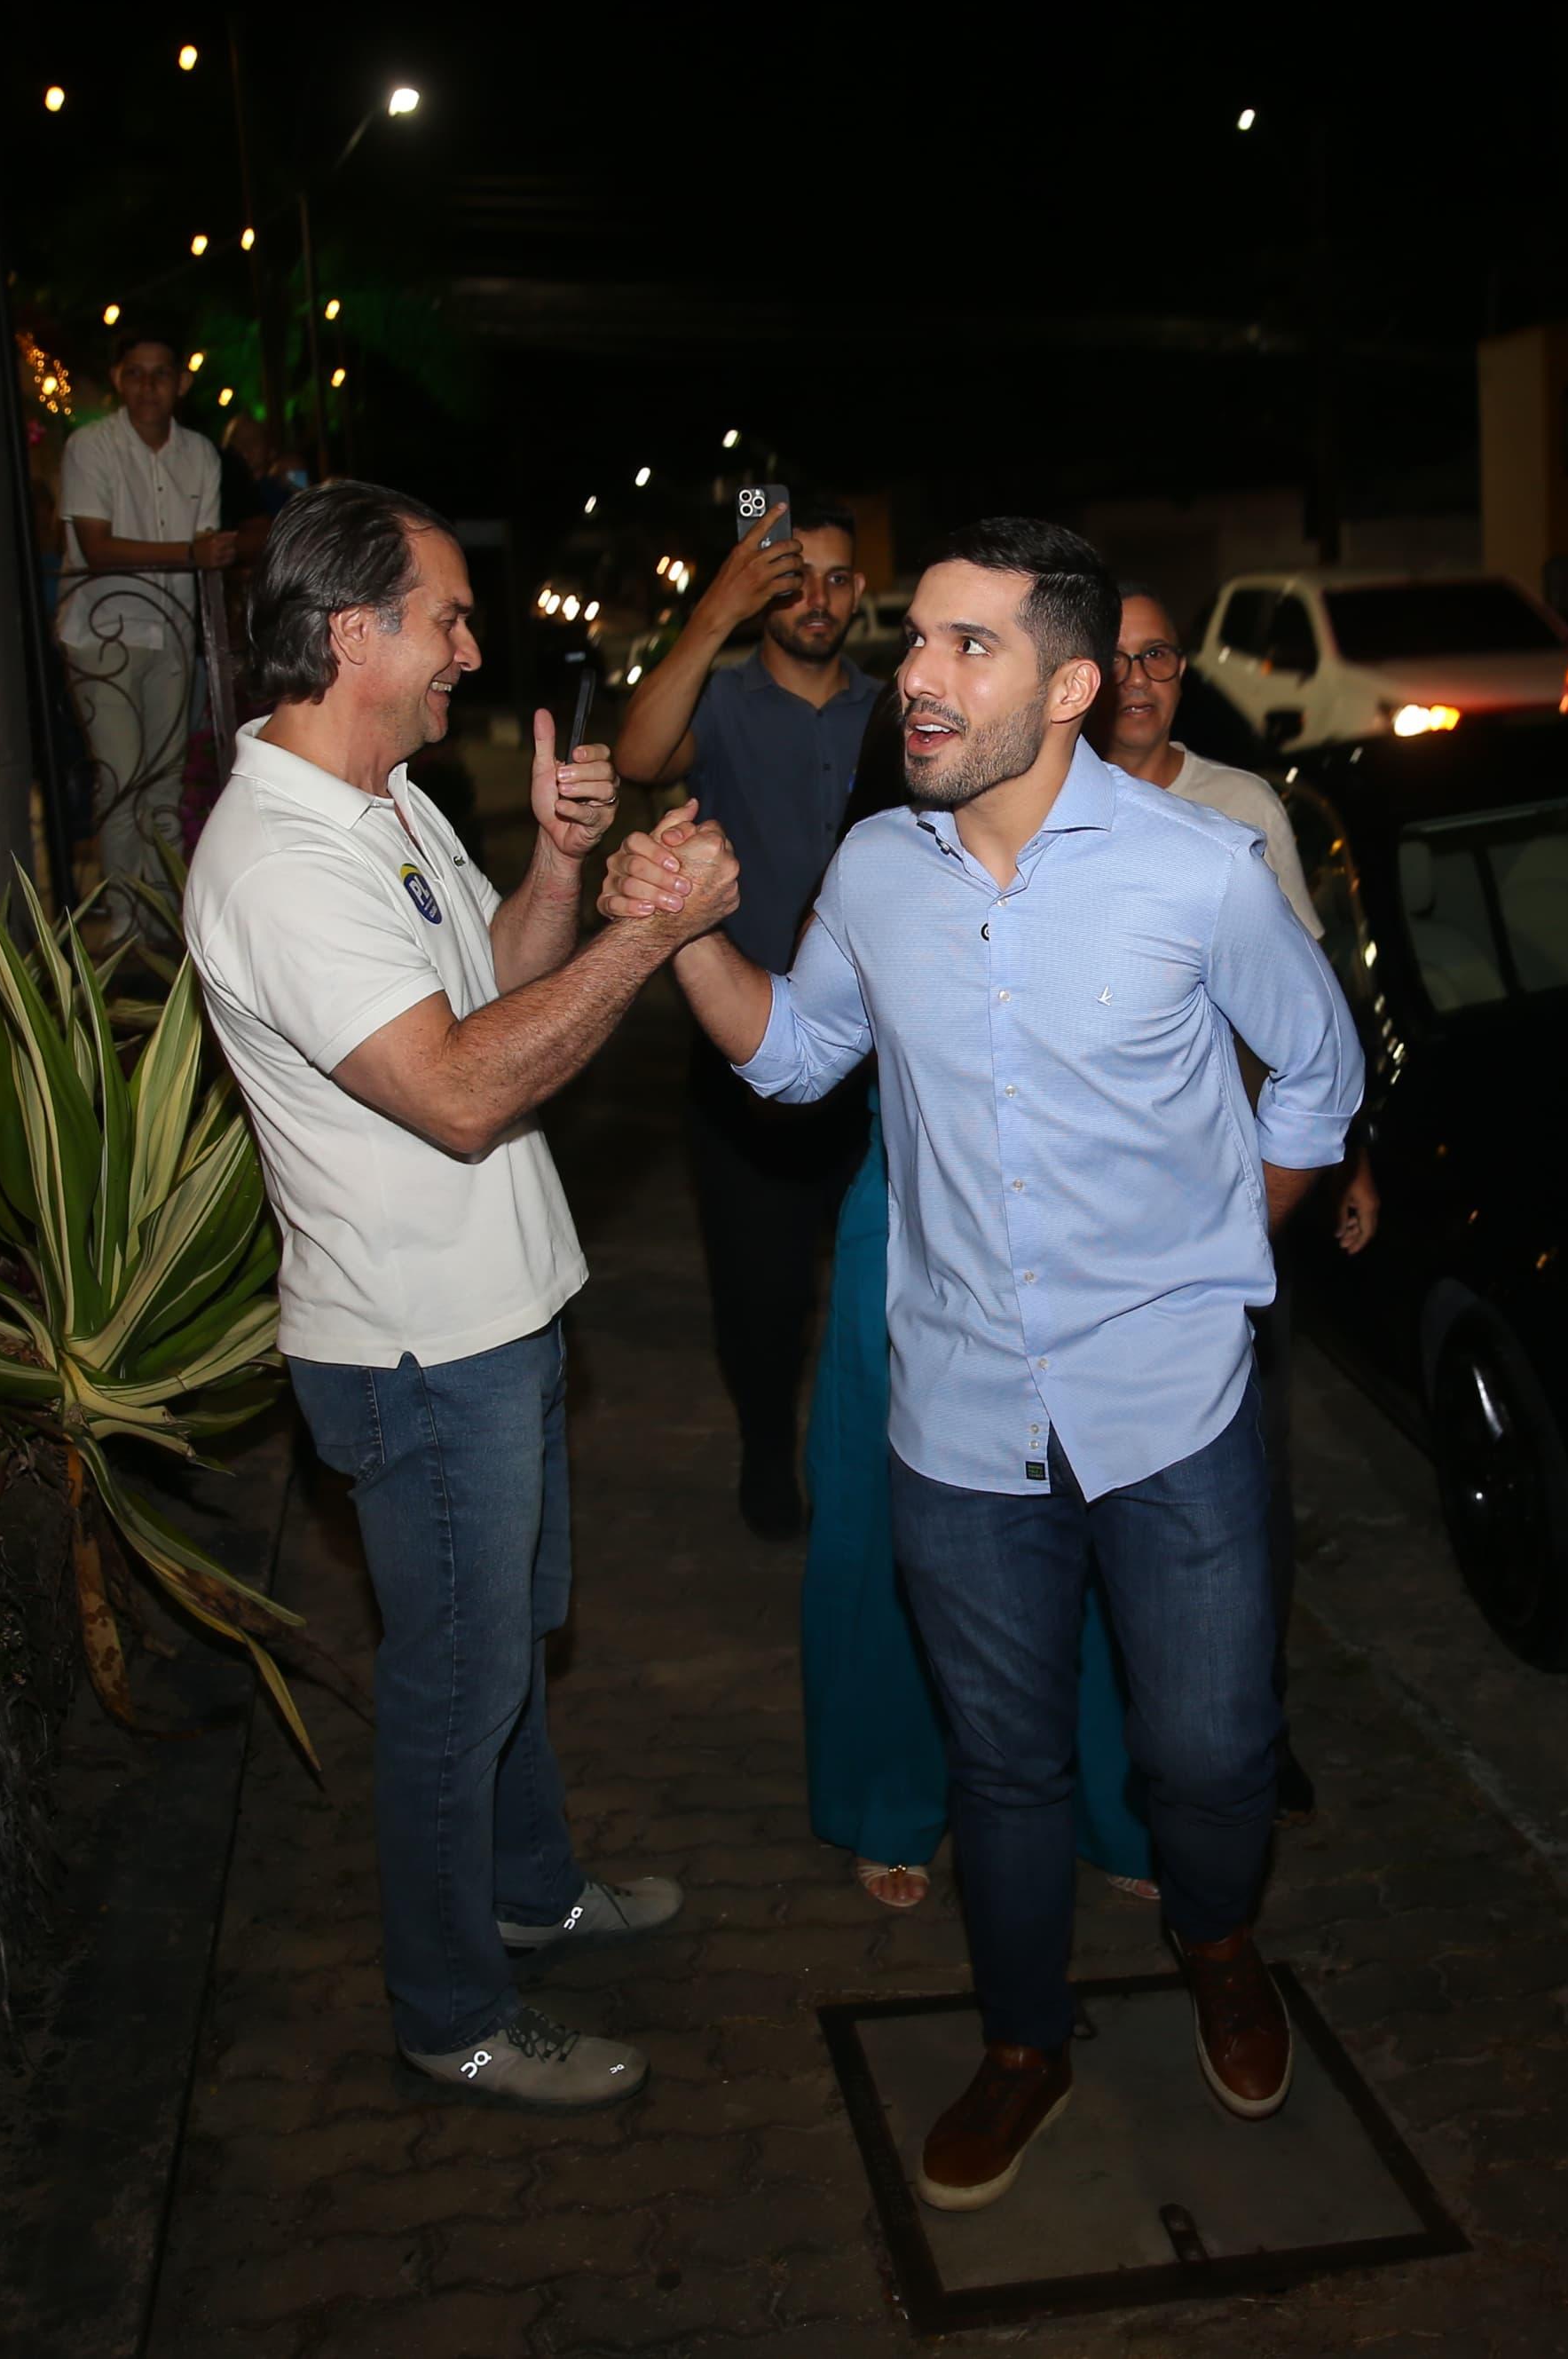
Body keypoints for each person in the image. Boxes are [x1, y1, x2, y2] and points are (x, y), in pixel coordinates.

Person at [607, 518, 1362, 2213]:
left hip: (1178, 1417)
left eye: (967, 647)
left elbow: (1317, 1072)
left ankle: (1220, 1936)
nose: (918, 679)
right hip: (958, 1419)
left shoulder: (1198, 871)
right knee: (1003, 1764)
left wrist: (1226, 1251)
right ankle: (1025, 2038)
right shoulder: (878, 865)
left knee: (1213, 1749)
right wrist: (682, 944)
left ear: (1072, 684)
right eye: (917, 642)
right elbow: (799, 1059)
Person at [185, 481, 721, 2112]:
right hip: (419, 1352)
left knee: (508, 1648)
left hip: (498, 1312)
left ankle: (531, 1883)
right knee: (452, 1684)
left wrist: (566, 873)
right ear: (353, 633)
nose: (470, 653)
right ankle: (452, 2005)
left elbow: (488, 978)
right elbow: (467, 1091)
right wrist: (653, 936)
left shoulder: (383, 797)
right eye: (446, 618)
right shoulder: (281, 860)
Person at [801, 706, 1160, 1915]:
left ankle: (1118, 1804)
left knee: (1103, 1510)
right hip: (910, 1225)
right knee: (894, 1524)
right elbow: (795, 1047)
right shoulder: (882, 864)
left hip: (1087, 1243)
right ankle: (896, 1793)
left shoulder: (1145, 851)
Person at [1093, 588, 1383, 1821]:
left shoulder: (1240, 805)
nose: (1141, 677)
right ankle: (1123, 1742)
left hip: (1235, 1200)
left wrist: (1343, 1160)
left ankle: (1248, 1729)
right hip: (1093, 1213)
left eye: (1157, 654)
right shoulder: (1036, 810)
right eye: (1115, 658)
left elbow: (1308, 1014)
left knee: (1247, 1479)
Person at [609, 502, 881, 1538]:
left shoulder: (894, 708)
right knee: (761, 1295)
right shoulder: (719, 702)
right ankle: (767, 1448)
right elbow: (638, 757)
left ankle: (873, 1466)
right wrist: (715, 610)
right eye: (796, 577)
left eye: (839, 578)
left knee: (879, 1286)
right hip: (743, 1054)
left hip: (875, 1061)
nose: (819, 598)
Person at [58, 328, 234, 936]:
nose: (148, 386)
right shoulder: (91, 446)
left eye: (161, 373)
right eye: (135, 372)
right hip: (103, 631)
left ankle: (160, 918)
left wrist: (204, 558)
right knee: (120, 775)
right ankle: (124, 917)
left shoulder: (201, 454)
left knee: (162, 784)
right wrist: (192, 551)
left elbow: (212, 551)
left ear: (181, 383)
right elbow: (97, 546)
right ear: (118, 379)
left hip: (173, 631)